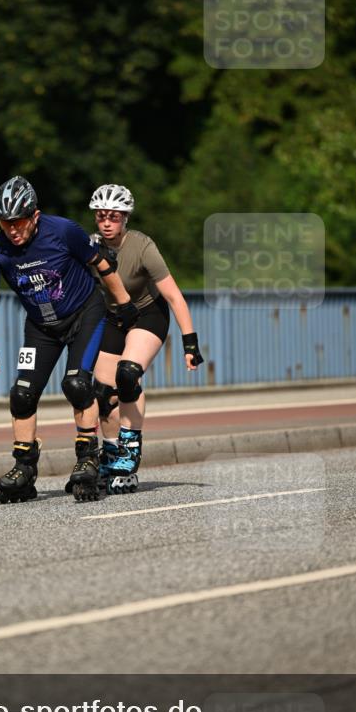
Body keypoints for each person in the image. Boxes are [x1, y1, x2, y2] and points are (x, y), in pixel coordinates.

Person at [0, 175, 139, 504]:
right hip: (41, 326)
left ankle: (87, 458)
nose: (12, 230)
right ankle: (24, 469)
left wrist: (124, 304)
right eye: (5, 223)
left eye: (18, 222)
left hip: (84, 314)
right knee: (21, 393)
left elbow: (103, 264)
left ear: (34, 216)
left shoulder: (63, 231)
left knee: (77, 383)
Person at [88, 184, 204, 494]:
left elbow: (174, 296)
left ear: (125, 218)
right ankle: (111, 455)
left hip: (147, 315)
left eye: (114, 216)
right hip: (113, 318)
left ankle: (130, 449)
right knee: (102, 393)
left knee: (128, 373)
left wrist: (189, 343)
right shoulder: (90, 247)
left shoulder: (142, 246)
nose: (107, 223)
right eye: (101, 217)